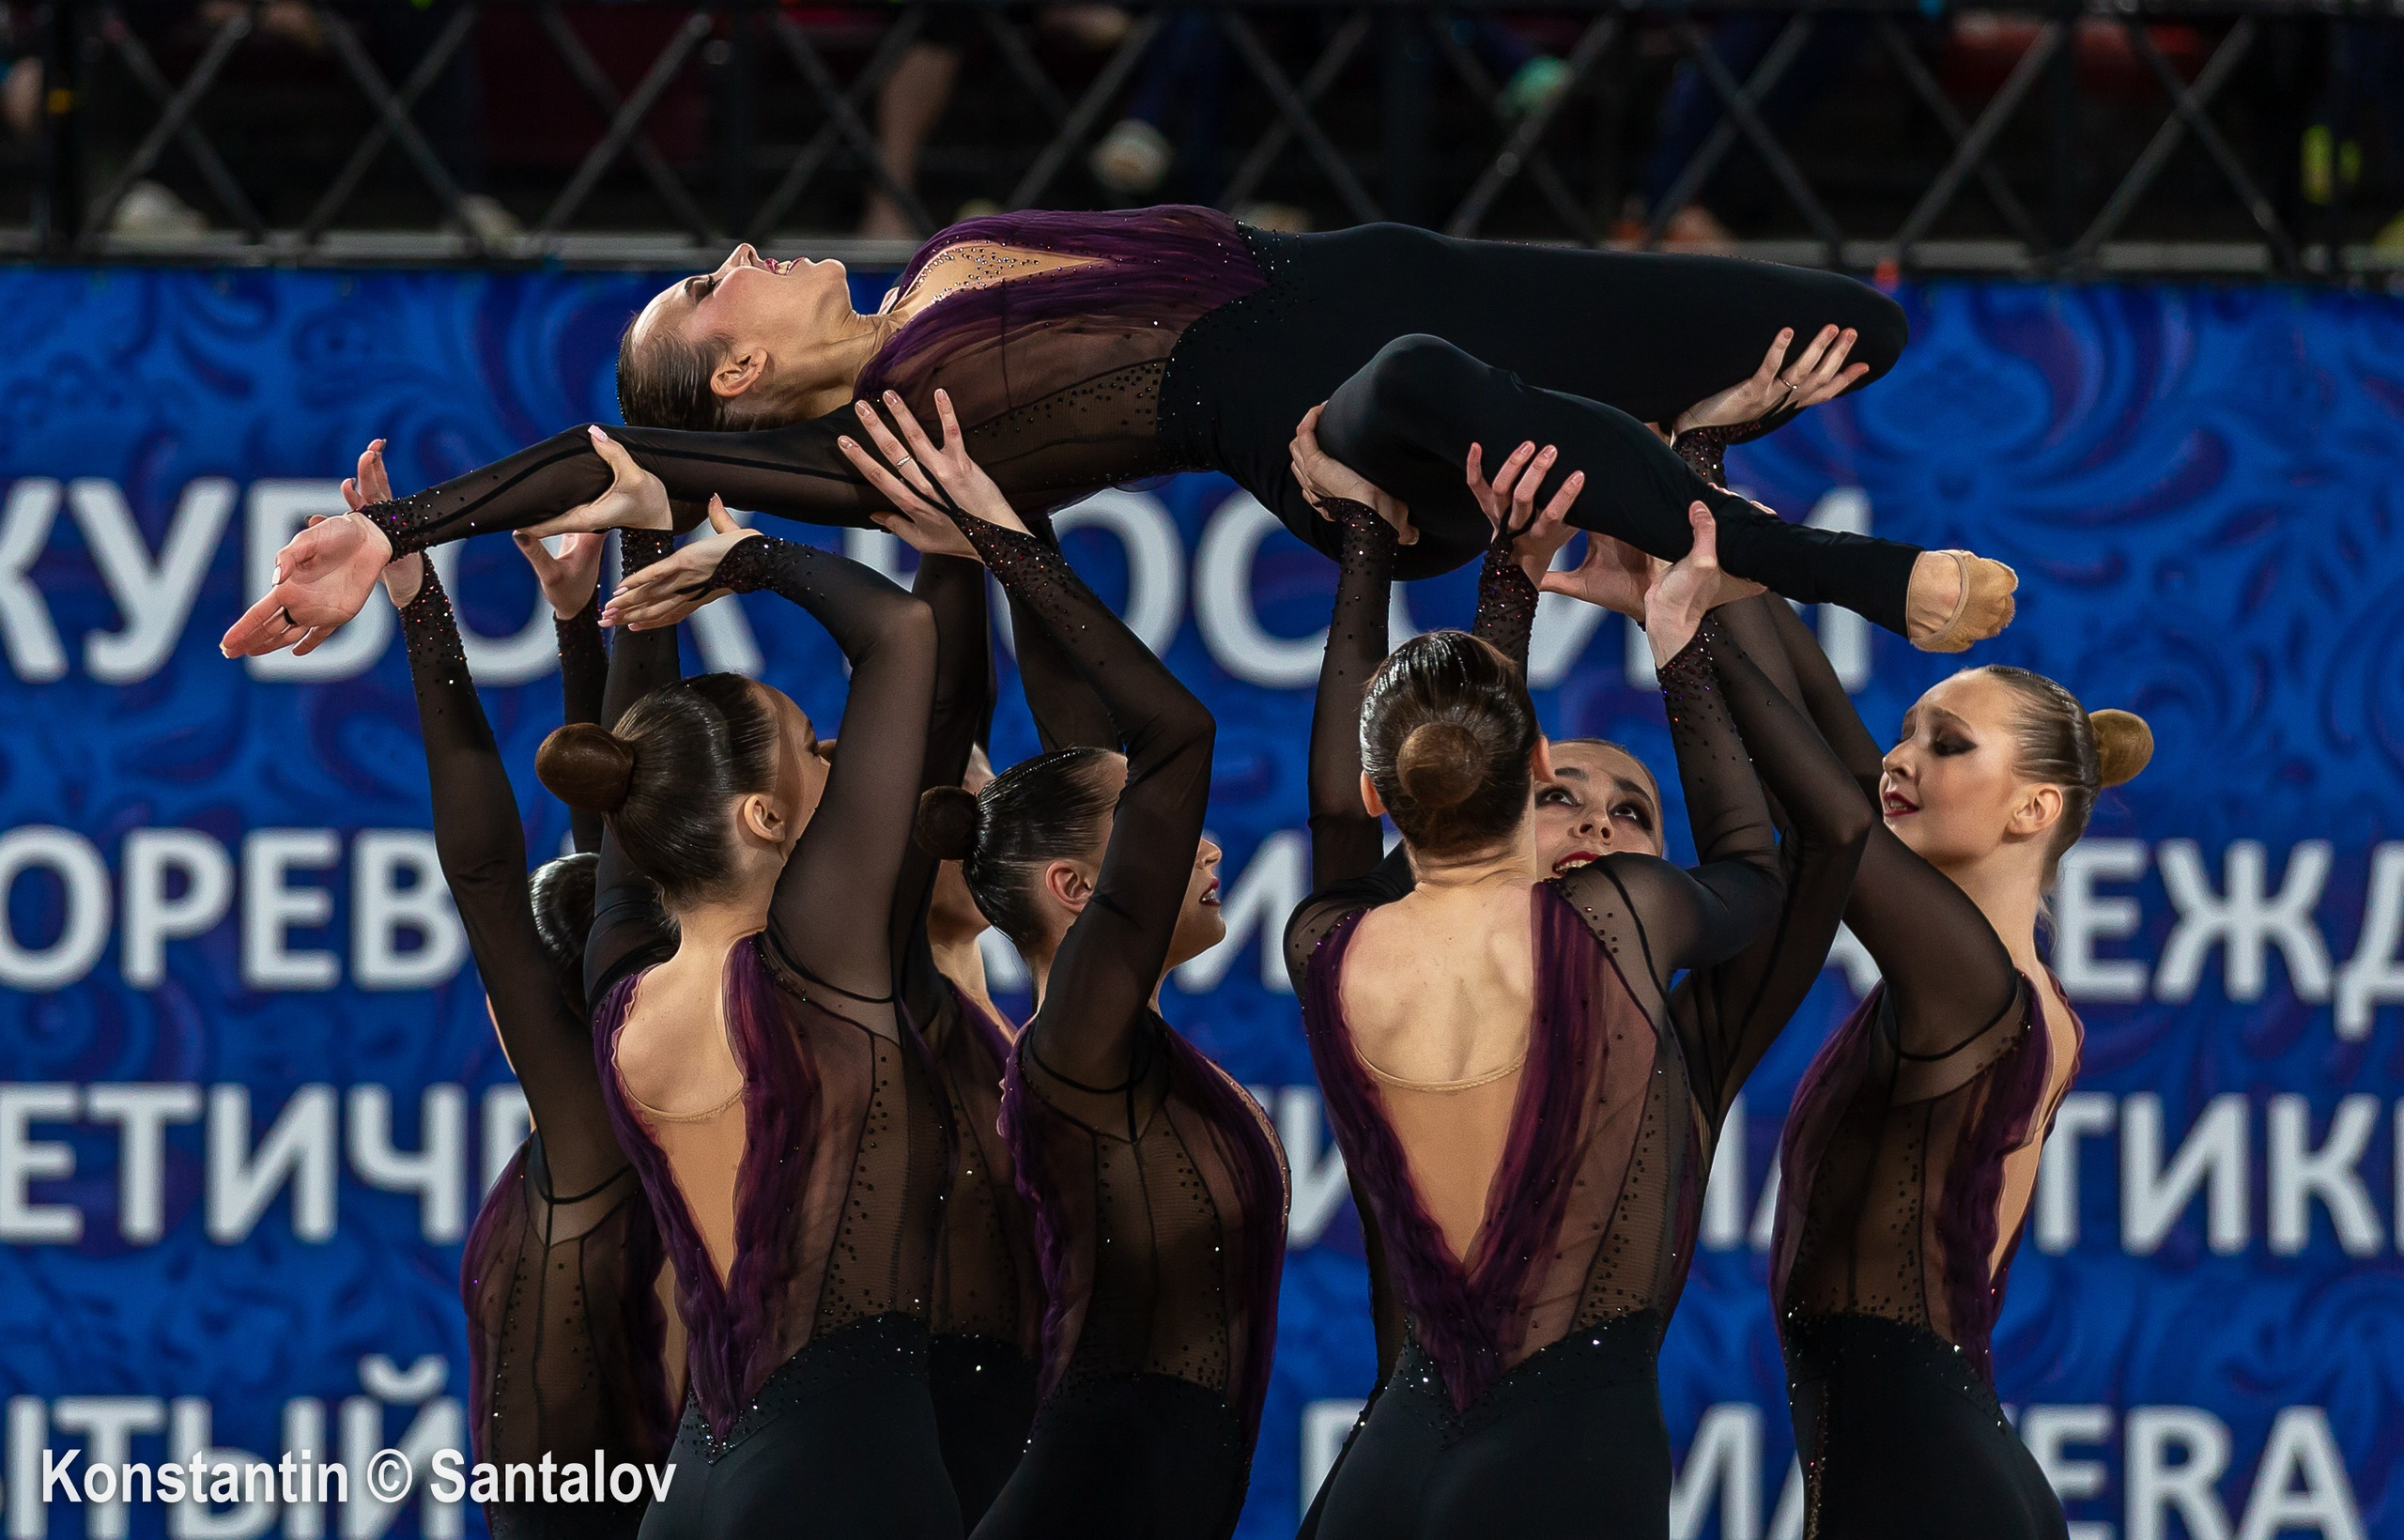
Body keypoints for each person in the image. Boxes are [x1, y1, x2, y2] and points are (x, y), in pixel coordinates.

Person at [222, 209, 2018, 663]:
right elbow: (609, 462)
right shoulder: (884, 451)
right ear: (740, 376)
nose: (744, 254)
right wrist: (399, 531)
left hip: (1427, 274)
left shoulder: (935, 266)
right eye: (713, 288)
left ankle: (1671, 459)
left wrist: (1668, 422)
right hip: (1339, 430)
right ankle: (1827, 570)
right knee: (1436, 389)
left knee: (1851, 330)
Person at [1284, 445, 1876, 1535]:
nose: (1600, 820)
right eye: (1565, 794)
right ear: (1522, 773)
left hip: (1395, 1474)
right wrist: (1679, 626)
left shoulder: (1332, 939)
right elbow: (1772, 854)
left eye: (1633, 812)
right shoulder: (1618, 910)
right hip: (1549, 1459)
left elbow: (1836, 837)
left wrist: (1497, 574)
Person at [829, 393, 1287, 1540]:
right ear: (1078, 891)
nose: (1205, 846)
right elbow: (1176, 736)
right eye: (1162, 834)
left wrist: (1015, 494)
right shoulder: (1076, 1046)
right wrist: (996, 537)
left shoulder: (1110, 1037)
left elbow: (1084, 745)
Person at [533, 440, 958, 1540]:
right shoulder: (816, 964)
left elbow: (635, 776)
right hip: (839, 1474)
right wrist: (750, 558)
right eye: (814, 750)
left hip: (695, 1484)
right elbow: (902, 633)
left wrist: (647, 540)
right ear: (765, 818)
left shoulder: (622, 985)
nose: (836, 757)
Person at [1764, 610, 2151, 1538]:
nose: (1899, 759)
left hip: (1923, 1479)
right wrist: (1723, 577)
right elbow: (1832, 744)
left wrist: (1683, 622)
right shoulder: (2000, 986)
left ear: (2033, 809)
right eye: (1905, 734)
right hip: (1934, 1465)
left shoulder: (1973, 988)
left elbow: (1828, 815)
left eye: (1946, 745)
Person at [353, 438, 677, 1537]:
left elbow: (493, 871)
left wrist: (419, 598)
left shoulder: (593, 1140)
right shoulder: (603, 1125)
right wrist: (584, 617)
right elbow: (611, 846)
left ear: (530, 1003)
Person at [890, 553, 1046, 1528]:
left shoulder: (1015, 1025)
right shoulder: (890, 1001)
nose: (985, 827)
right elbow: (944, 706)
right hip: (931, 1433)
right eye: (962, 806)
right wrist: (950, 542)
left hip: (1020, 1430)